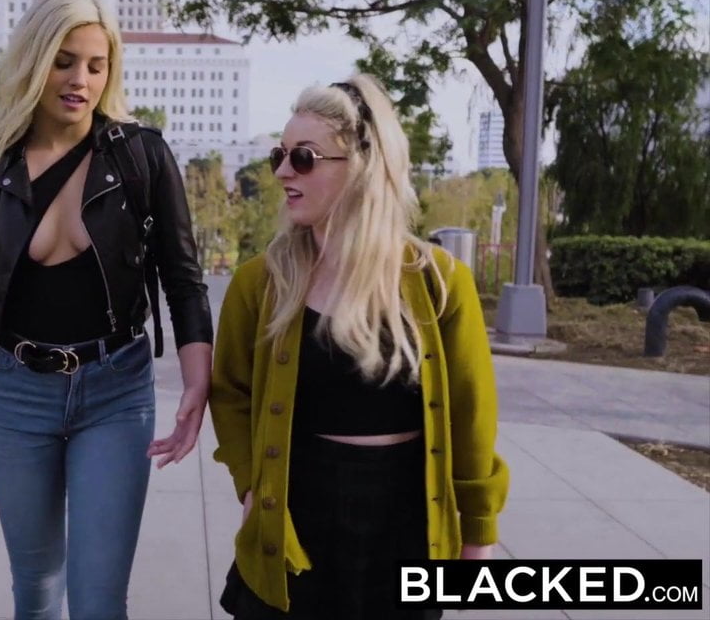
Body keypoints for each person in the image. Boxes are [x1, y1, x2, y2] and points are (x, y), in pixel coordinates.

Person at [0, 0, 214, 620]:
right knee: (35, 591)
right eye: (63, 61)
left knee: (98, 601)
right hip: (15, 396)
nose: (80, 79)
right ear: (33, 62)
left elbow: (184, 278)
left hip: (116, 392)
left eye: (96, 65)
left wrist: (197, 387)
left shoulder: (141, 155)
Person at [209, 75, 509, 619]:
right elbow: (230, 390)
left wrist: (478, 533)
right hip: (298, 517)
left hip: (407, 521)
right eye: (280, 155)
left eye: (303, 157)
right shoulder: (262, 282)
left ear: (363, 166)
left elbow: (471, 416)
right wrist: (251, 486)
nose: (282, 172)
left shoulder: (440, 282)